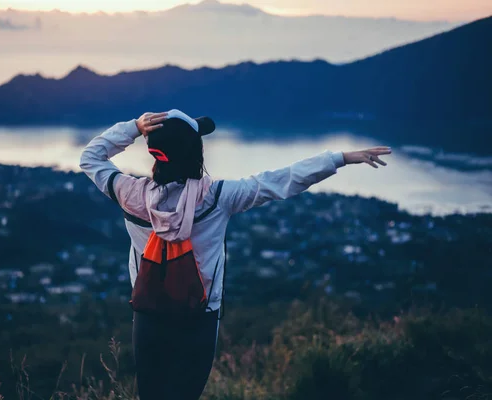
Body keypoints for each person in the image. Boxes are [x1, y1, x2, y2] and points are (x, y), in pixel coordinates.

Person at [79, 110, 391, 400]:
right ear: (196, 154)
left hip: (148, 315)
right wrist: (341, 157)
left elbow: (91, 157)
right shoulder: (219, 197)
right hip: (198, 317)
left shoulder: (128, 194)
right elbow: (281, 180)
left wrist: (134, 127)